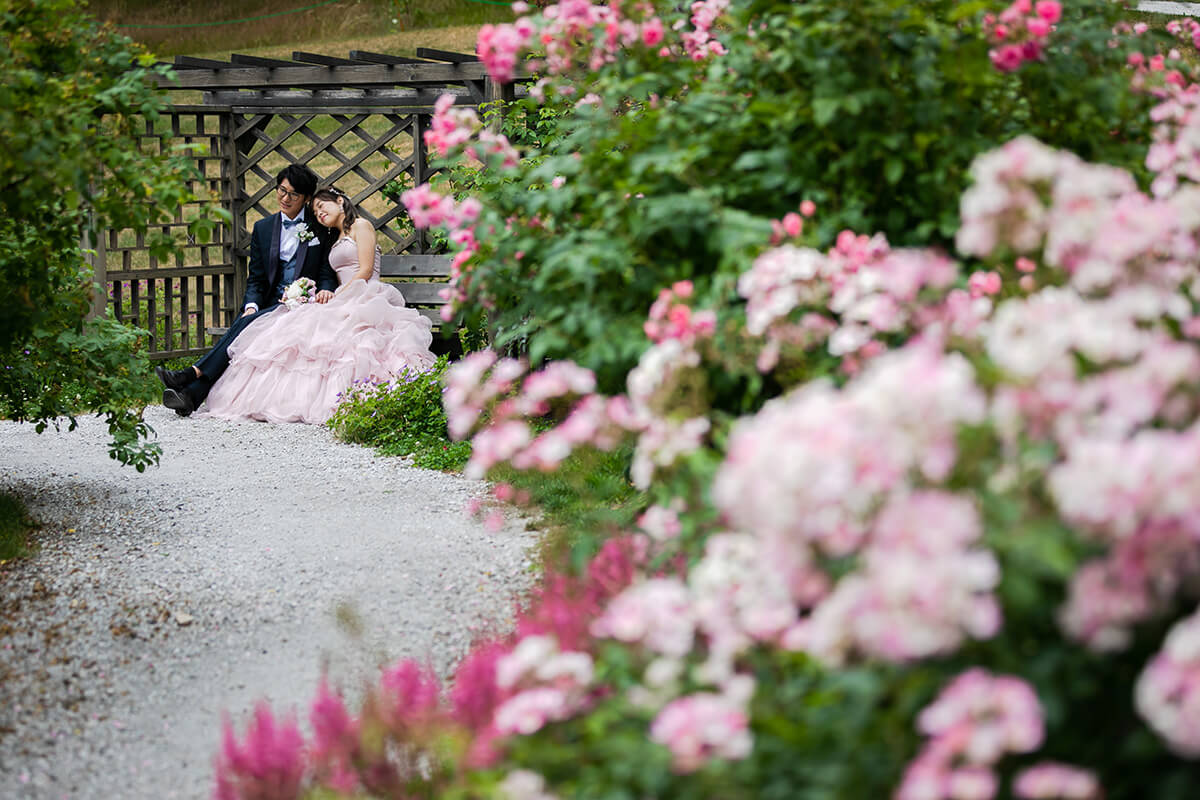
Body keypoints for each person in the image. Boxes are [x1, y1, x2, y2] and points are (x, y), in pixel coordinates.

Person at [197, 187, 436, 424]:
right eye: (316, 211)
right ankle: (284, 399)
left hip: (366, 294)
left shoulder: (361, 226)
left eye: (322, 206)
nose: (319, 213)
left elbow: (364, 269)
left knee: (354, 342)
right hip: (343, 296)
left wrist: (339, 295)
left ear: (340, 201)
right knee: (297, 332)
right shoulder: (335, 237)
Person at [155, 163, 338, 416]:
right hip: (269, 305)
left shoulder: (321, 229)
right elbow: (257, 279)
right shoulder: (263, 229)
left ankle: (191, 374)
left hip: (303, 308)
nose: (285, 198)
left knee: (245, 328)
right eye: (281, 191)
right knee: (248, 321)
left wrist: (324, 290)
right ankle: (189, 395)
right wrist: (251, 305)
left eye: (293, 194)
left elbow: (327, 273)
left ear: (306, 198)